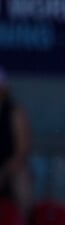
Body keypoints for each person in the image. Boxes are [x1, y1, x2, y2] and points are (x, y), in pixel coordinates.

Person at [0, 68, 33, 211]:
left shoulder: (15, 114)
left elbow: (22, 151)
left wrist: (4, 171)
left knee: (21, 178)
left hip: (10, 168)